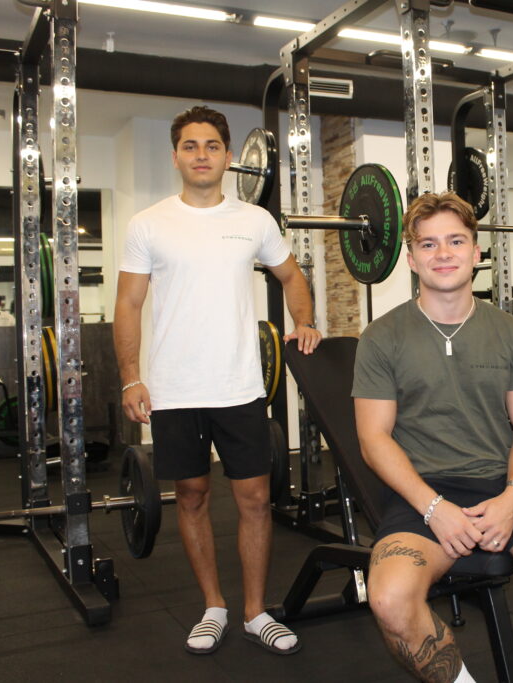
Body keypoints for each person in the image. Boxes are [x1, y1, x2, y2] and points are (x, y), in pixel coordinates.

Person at [352, 192, 513, 683]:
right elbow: (374, 439)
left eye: (455, 241)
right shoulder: (382, 337)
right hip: (423, 492)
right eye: (428, 244)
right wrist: (433, 508)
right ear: (411, 258)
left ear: (476, 252)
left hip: (501, 483)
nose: (443, 253)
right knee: (390, 598)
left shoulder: (511, 332)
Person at [113, 106, 321, 657]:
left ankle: (255, 612)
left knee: (255, 499)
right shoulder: (148, 224)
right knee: (191, 495)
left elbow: (291, 275)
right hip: (174, 388)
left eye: (211, 146)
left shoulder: (254, 221)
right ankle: (214, 606)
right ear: (175, 156)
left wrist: (304, 321)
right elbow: (128, 304)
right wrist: (131, 378)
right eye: (190, 145)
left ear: (228, 157)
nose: (201, 155)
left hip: (238, 386)